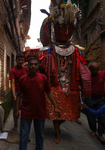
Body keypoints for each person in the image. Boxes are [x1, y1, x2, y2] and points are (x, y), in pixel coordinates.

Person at [39, 0, 92, 144]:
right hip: (54, 87)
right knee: (56, 113)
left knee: (66, 115)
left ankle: (58, 129)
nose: (66, 32)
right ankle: (57, 132)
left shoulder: (76, 50)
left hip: (70, 88)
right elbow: (42, 66)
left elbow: (83, 69)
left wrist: (85, 84)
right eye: (62, 28)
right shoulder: (49, 50)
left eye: (69, 28)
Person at [15, 57, 61, 150]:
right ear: (27, 66)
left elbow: (49, 92)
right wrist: (16, 110)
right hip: (26, 111)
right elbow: (19, 95)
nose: (33, 66)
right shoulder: (22, 79)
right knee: (24, 135)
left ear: (38, 66)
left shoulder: (43, 78)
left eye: (35, 64)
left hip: (40, 111)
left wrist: (55, 106)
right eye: (31, 64)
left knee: (39, 135)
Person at [83, 61, 105, 143]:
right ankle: (93, 130)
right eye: (94, 70)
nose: (95, 71)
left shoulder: (102, 74)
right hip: (90, 97)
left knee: (102, 116)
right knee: (90, 114)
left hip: (100, 98)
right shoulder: (87, 76)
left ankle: (100, 134)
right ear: (90, 69)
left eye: (97, 69)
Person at [9, 53, 27, 131]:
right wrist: (14, 94)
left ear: (23, 60)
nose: (20, 61)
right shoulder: (12, 71)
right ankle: (16, 124)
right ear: (16, 60)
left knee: (24, 110)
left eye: (21, 60)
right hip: (16, 92)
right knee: (15, 109)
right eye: (19, 60)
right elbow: (12, 83)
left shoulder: (26, 69)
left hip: (25, 92)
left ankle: (24, 127)